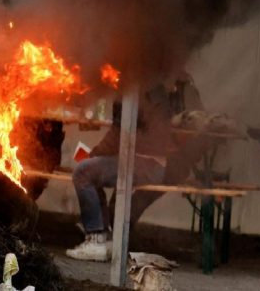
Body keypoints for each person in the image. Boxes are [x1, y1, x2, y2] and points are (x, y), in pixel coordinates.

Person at [65, 79, 204, 262]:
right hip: (152, 165)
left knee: (83, 172)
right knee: (92, 172)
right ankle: (103, 236)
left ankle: (96, 238)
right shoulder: (155, 87)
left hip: (144, 165)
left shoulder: (134, 89)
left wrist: (92, 155)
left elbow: (117, 135)